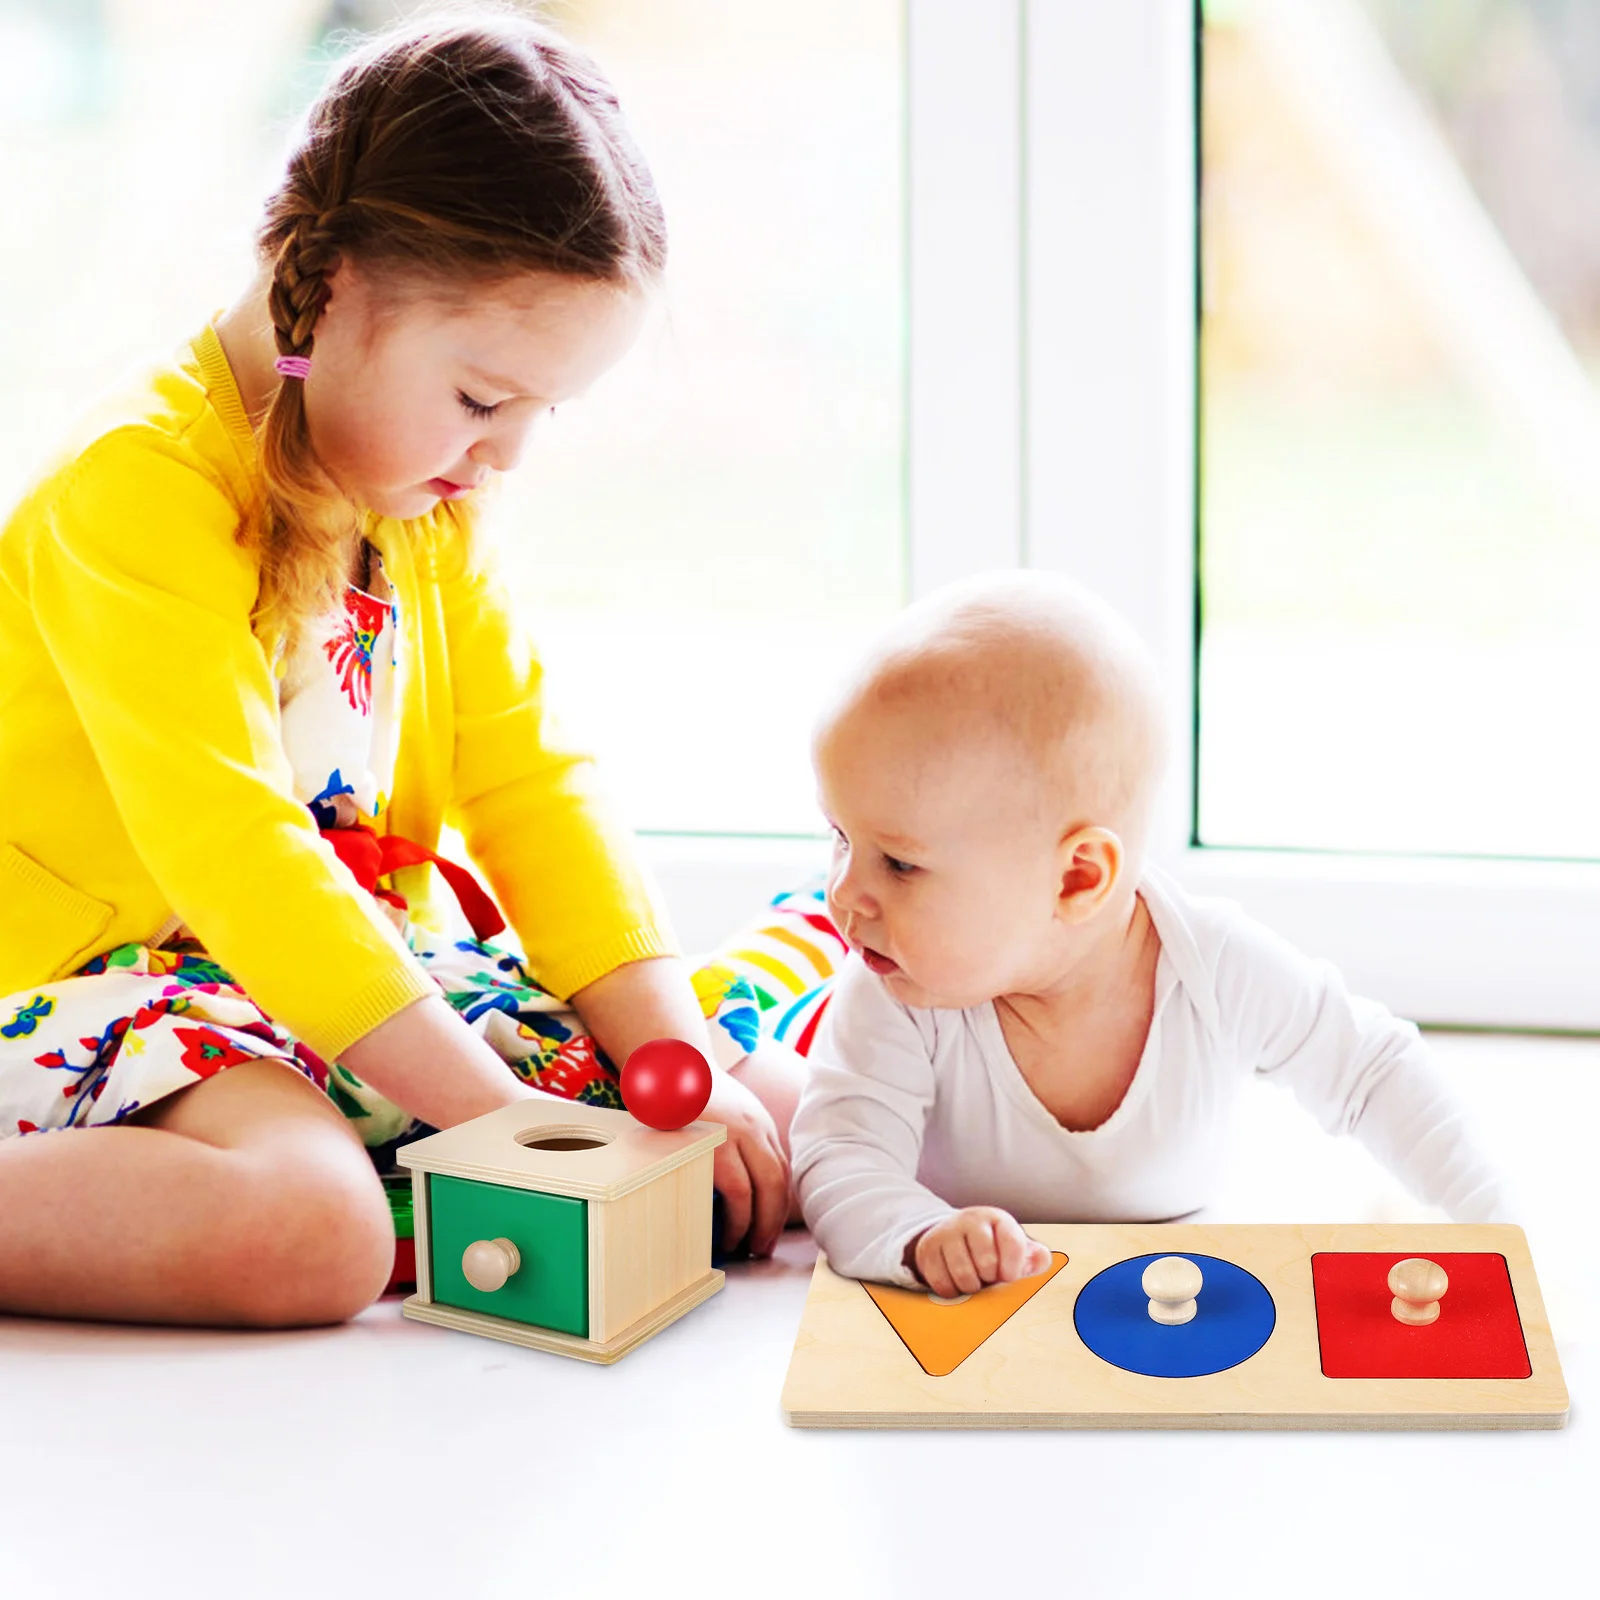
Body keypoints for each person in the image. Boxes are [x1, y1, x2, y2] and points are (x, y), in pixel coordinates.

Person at [0, 14, 804, 1329]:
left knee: (765, 1112)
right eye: (484, 401)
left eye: (544, 413)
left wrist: (679, 1056)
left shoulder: (424, 498)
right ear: (327, 286)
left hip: (351, 973)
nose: (508, 456)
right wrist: (515, 1127)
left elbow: (532, 779)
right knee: (312, 1231)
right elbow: (240, 857)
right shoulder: (132, 493)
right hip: (117, 986)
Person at [789, 571, 1507, 1298]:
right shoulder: (894, 986)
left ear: (1077, 879)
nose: (843, 892)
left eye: (900, 864)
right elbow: (840, 1155)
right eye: (839, 836)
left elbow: (1375, 1072)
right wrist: (917, 1235)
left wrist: (1496, 1225)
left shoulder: (1213, 969)